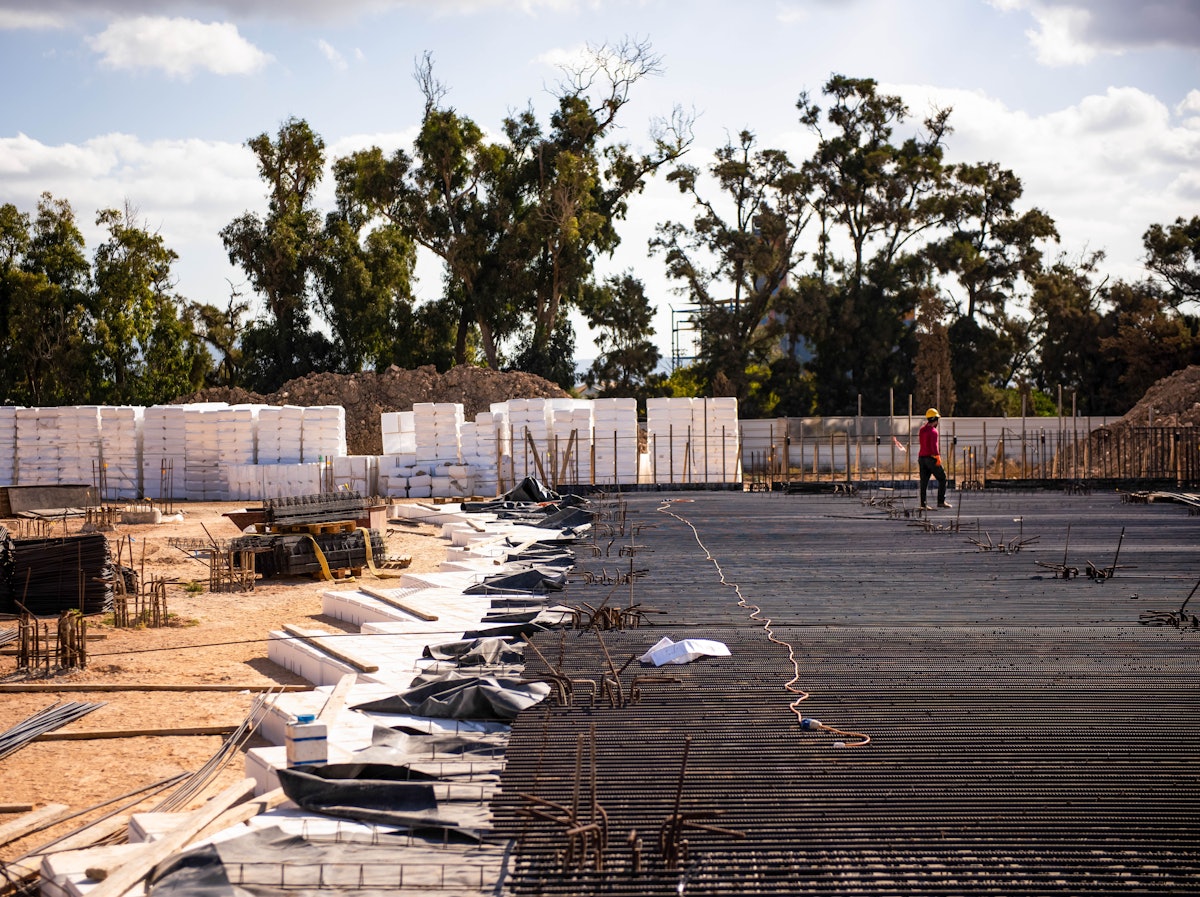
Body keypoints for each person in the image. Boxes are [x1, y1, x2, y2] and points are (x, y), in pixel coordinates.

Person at [918, 408, 951, 510]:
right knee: (942, 478)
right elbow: (934, 447)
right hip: (931, 458)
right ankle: (941, 501)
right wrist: (937, 457)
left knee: (924, 482)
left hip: (921, 458)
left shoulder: (922, 430)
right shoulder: (934, 432)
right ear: (935, 419)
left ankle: (923, 504)